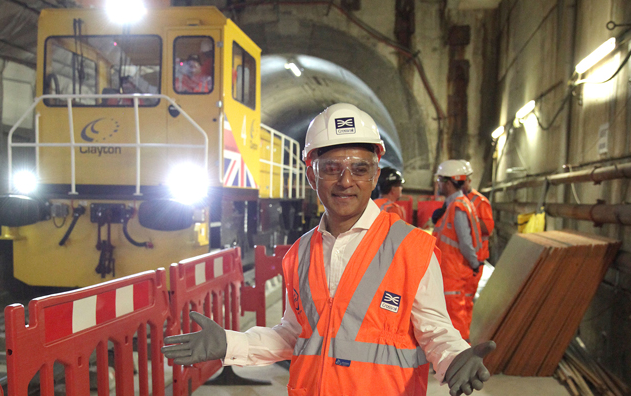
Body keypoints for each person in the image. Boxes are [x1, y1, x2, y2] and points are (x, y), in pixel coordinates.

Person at [162, 104, 495, 396]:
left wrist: (455, 358)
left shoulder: (411, 248)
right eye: (331, 168)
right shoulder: (300, 254)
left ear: (375, 173)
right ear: (311, 175)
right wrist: (231, 344)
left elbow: (436, 331)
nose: (345, 181)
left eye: (360, 168)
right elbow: (294, 334)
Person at [432, 160, 484, 341]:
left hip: (452, 276)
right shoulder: (454, 205)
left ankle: (460, 366)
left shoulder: (459, 206)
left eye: (439, 180)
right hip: (447, 274)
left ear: (448, 182)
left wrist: (475, 264)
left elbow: (465, 243)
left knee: (456, 326)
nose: (437, 184)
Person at [459, 160, 494, 334]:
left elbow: (488, 229)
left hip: (474, 260)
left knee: (465, 301)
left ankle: (465, 338)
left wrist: (469, 219)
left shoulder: (480, 202)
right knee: (457, 303)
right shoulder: (458, 201)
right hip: (459, 261)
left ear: (468, 180)